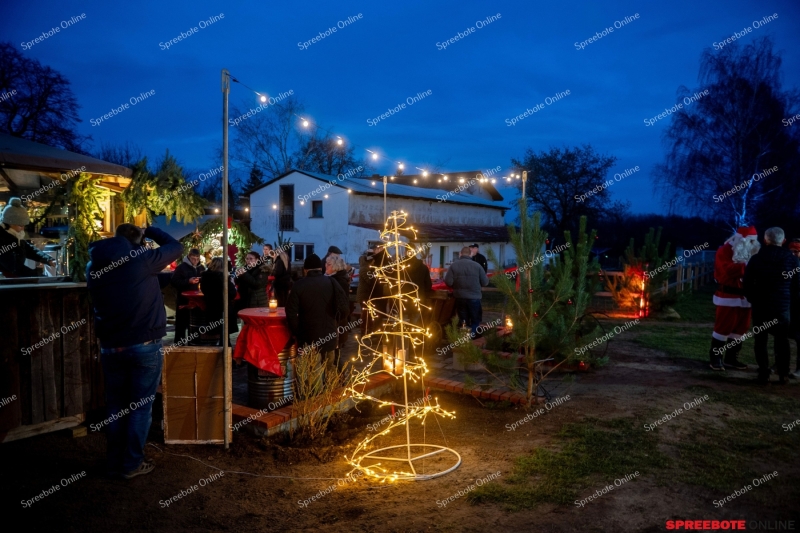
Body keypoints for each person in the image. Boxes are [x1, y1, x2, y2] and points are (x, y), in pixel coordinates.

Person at [86, 223, 183, 479]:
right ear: (137, 241)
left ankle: (115, 462)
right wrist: (150, 230)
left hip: (111, 346)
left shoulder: (93, 265)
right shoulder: (141, 259)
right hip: (144, 344)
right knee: (140, 407)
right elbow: (176, 247)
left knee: (116, 406)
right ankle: (131, 464)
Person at [743, 227, 800, 384]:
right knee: (782, 340)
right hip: (782, 306)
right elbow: (796, 286)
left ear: (765, 240)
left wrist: (752, 299)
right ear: (783, 241)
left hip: (761, 305)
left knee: (760, 340)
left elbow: (747, 283)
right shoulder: (792, 260)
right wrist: (790, 302)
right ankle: (783, 374)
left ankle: (763, 373)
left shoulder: (756, 259)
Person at [707, 227, 760, 371]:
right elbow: (727, 271)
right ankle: (716, 357)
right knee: (723, 327)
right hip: (728, 296)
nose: (752, 245)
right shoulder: (724, 251)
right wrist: (748, 266)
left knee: (740, 329)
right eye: (750, 241)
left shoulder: (754, 252)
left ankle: (731, 358)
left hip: (746, 297)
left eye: (753, 242)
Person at [287, 254, 349, 373]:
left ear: (305, 270)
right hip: (329, 335)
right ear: (320, 268)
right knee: (329, 370)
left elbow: (290, 313)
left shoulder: (298, 285)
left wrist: (297, 332)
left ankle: (319, 386)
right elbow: (344, 308)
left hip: (308, 337)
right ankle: (332, 386)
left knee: (313, 373)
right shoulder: (332, 282)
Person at [0, 197, 56, 277]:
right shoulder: (2, 240)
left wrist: (47, 259)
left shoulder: (15, 236)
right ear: (9, 224)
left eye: (24, 225)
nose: (22, 229)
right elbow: (14, 267)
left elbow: (29, 250)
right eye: (20, 225)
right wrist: (37, 276)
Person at [445, 247, 490, 336]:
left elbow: (448, 282)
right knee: (475, 320)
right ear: (470, 254)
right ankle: (472, 338)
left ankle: (463, 338)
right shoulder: (477, 266)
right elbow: (485, 282)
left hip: (460, 297)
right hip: (474, 297)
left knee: (463, 321)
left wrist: (456, 286)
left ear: (460, 254)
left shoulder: (453, 266)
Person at [200, 256, 239, 345]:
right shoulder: (223, 278)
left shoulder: (205, 277)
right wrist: (231, 283)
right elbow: (232, 293)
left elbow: (204, 290)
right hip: (223, 307)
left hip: (211, 307)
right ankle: (226, 350)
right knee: (225, 334)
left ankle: (217, 347)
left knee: (217, 331)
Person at [171, 248, 205, 344]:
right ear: (189, 257)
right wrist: (188, 281)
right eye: (193, 258)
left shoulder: (201, 268)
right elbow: (174, 281)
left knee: (194, 323)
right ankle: (179, 344)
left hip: (197, 300)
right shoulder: (181, 268)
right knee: (181, 323)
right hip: (184, 299)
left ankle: (193, 342)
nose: (195, 260)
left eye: (197, 258)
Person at [357, 244, 388, 335]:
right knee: (365, 314)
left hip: (365, 294)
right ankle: (364, 330)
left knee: (367, 314)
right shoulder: (365, 269)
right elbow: (369, 280)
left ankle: (367, 329)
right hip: (364, 295)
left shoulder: (365, 269)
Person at [326, 255, 354, 353]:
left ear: (336, 267)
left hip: (336, 320)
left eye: (328, 264)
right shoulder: (338, 278)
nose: (325, 266)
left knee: (335, 350)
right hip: (337, 320)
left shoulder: (337, 281)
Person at [406, 253, 433, 325]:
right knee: (415, 323)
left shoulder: (400, 268)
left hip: (403, 300)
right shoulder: (423, 268)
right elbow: (428, 285)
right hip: (418, 298)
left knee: (403, 323)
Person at [789, 239, 800, 379]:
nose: (793, 254)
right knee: (783, 334)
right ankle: (780, 364)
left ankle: (799, 368)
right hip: (788, 304)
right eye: (791, 251)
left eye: (796, 251)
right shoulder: (788, 264)